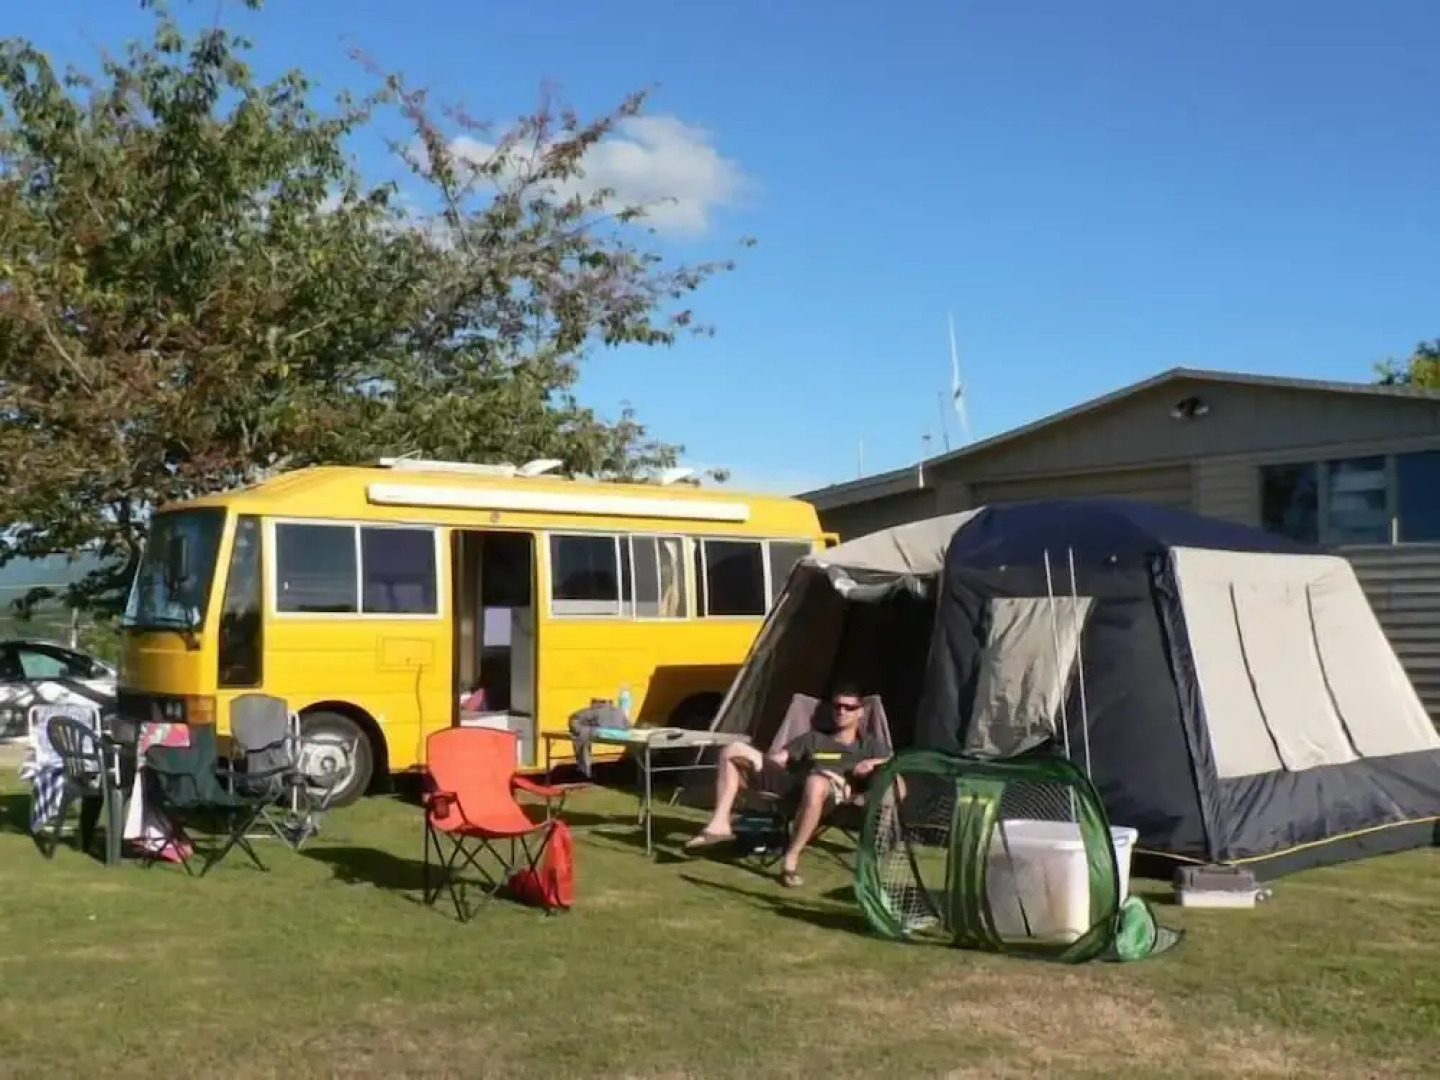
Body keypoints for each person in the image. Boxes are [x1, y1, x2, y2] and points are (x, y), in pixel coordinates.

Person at [683, 683, 891, 887]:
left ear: (861, 712)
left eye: (849, 707)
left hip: (833, 793)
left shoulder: (870, 746)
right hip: (793, 789)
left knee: (816, 782)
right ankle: (720, 824)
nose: (841, 711)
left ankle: (791, 858)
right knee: (733, 749)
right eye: (837, 706)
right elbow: (778, 759)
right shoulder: (813, 739)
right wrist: (759, 765)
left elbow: (896, 768)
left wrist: (873, 763)